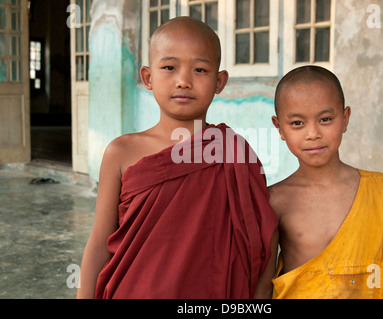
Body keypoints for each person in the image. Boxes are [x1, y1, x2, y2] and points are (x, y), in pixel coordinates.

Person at [77, 17, 278, 299]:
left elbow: (263, 240)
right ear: (148, 77)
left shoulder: (234, 153)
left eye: (200, 69)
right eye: (169, 67)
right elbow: (99, 243)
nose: (183, 81)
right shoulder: (120, 152)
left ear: (219, 82)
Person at [269, 65, 383, 299]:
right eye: (297, 123)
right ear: (279, 128)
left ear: (345, 119)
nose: (313, 133)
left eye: (325, 119)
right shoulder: (275, 199)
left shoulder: (377, 192)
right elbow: (265, 280)